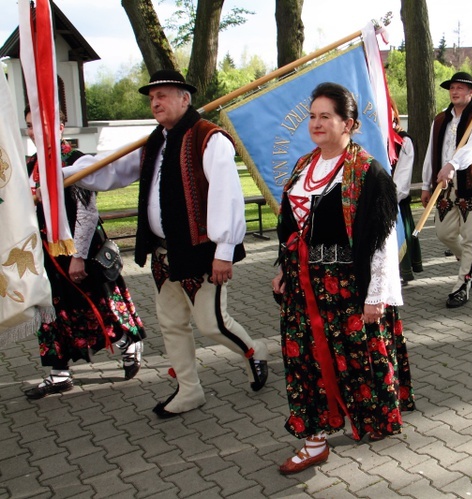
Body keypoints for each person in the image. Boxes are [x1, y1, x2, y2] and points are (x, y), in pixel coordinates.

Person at [63, 69, 268, 417]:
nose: (155, 102)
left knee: (211, 323)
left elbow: (227, 196)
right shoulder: (154, 142)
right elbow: (110, 170)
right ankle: (189, 390)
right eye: (152, 97)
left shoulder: (209, 138)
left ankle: (255, 351)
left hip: (201, 252)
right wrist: (62, 174)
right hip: (162, 252)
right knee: (171, 323)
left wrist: (224, 252)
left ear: (185, 99)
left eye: (163, 95)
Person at [271, 82, 414, 475]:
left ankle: (361, 421)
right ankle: (313, 440)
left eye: (325, 117)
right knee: (305, 364)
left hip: (348, 289)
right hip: (303, 287)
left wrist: (375, 296)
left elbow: (384, 240)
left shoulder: (367, 171)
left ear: (348, 123)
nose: (316, 123)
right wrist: (282, 269)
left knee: (356, 366)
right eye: (313, 116)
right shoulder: (303, 165)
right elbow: (289, 228)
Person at [24, 108, 145, 399]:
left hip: (79, 248)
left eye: (39, 125)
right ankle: (59, 372)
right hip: (45, 253)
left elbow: (88, 213)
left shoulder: (76, 161)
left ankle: (129, 342)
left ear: (61, 126)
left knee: (97, 302)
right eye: (29, 126)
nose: (33, 132)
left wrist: (77, 255)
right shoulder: (30, 164)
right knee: (49, 310)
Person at [421, 72, 472, 308]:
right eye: (452, 88)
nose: (455, 92)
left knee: (470, 238)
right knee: (443, 233)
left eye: (461, 88)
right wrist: (426, 184)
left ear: (471, 91)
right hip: (445, 186)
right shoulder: (440, 119)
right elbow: (431, 152)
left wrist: (453, 164)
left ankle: (462, 286)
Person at [389, 99, 423, 282]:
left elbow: (402, 179)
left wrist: (387, 199)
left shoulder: (404, 140)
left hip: (395, 202)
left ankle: (401, 272)